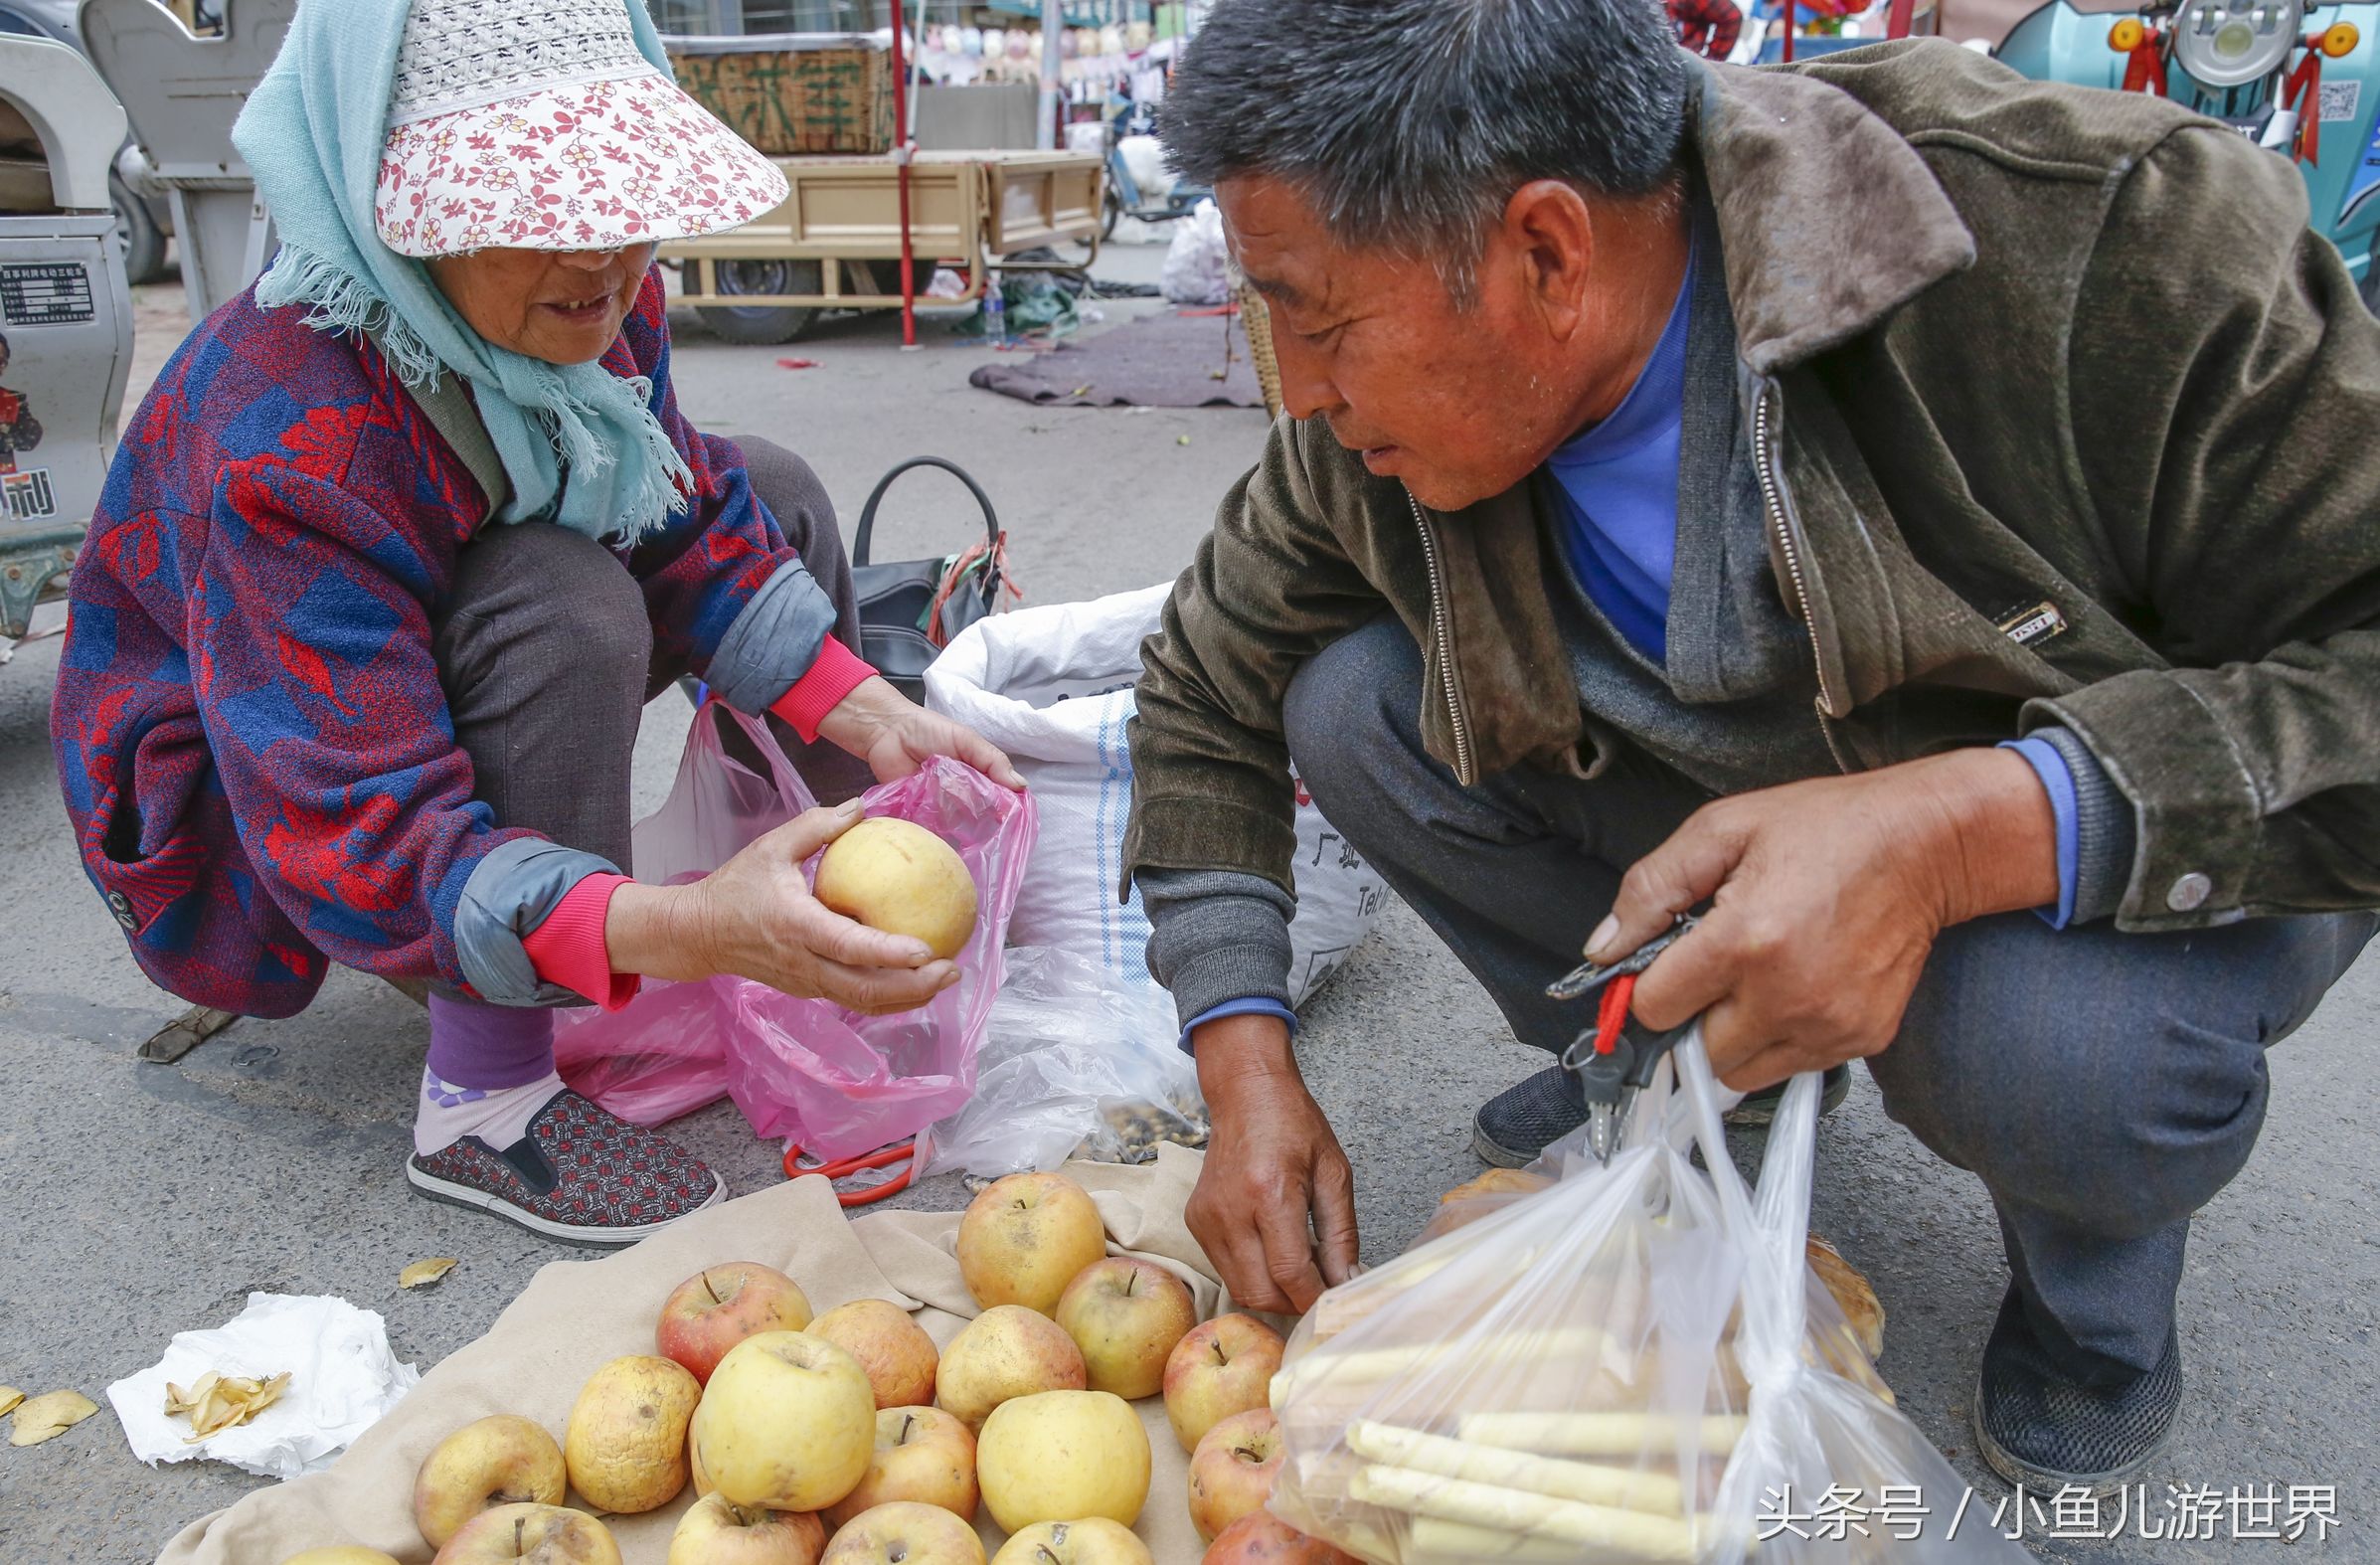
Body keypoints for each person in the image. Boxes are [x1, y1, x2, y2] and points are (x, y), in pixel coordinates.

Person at [1124, 0, 2380, 1495]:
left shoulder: (2099, 238)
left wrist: (1963, 832)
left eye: (1319, 320)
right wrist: (1243, 1059)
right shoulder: (1359, 444)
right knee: (1347, 702)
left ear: (1545, 252)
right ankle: (1695, 1065)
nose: (1299, 388)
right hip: (1715, 812)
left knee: (2055, 1055)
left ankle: (2090, 1293)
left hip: (2095, 862)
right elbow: (1203, 681)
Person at [51, 0, 1020, 1247]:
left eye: (622, 208)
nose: (604, 263)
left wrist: (881, 717)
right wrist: (682, 929)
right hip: (271, 788)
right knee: (565, 606)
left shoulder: (598, 299)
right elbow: (358, 817)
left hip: (406, 659)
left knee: (764, 485)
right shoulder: (285, 433)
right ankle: (487, 1091)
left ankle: (841, 903)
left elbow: (683, 515)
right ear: (395, 204)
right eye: (534, 216)